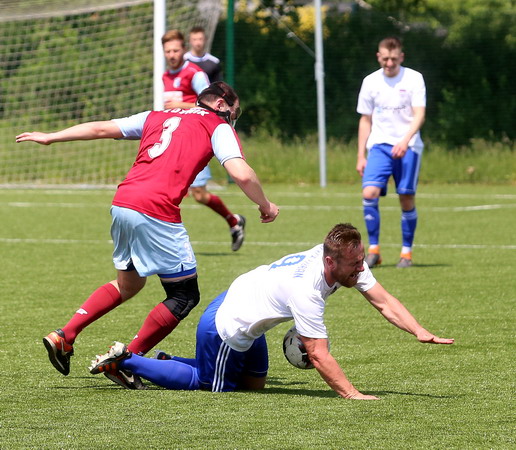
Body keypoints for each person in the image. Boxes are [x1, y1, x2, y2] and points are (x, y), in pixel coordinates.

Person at [16, 81, 280, 389]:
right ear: (221, 105)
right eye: (235, 111)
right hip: (156, 209)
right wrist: (265, 205)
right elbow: (241, 173)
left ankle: (65, 335)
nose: (234, 117)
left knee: (129, 284)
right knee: (184, 295)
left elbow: (102, 128)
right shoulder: (217, 126)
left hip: (123, 202)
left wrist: (51, 137)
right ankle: (127, 360)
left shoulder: (157, 115)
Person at [89, 223, 454, 399]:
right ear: (330, 261)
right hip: (228, 325)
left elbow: (384, 301)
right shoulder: (307, 289)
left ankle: (167, 361)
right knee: (211, 385)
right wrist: (352, 394)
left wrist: (419, 330)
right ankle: (126, 360)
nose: (361, 269)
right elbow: (318, 354)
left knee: (254, 386)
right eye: (355, 264)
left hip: (250, 313)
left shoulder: (347, 261)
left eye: (362, 261)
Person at [162, 29, 245, 251]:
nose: (172, 55)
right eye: (168, 51)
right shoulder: (164, 76)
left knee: (198, 194)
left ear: (184, 49)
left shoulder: (195, 74)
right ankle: (166, 240)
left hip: (195, 141)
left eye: (175, 50)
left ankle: (234, 221)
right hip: (174, 141)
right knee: (168, 190)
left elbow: (211, 105)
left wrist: (181, 106)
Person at [356, 37, 426, 269]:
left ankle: (406, 253)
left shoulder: (414, 78)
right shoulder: (370, 81)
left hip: (409, 146)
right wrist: (360, 155)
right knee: (369, 192)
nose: (389, 63)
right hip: (379, 146)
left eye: (394, 59)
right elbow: (365, 119)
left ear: (401, 57)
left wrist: (405, 141)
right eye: (385, 58)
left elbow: (419, 114)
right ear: (379, 56)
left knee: (406, 197)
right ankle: (374, 251)